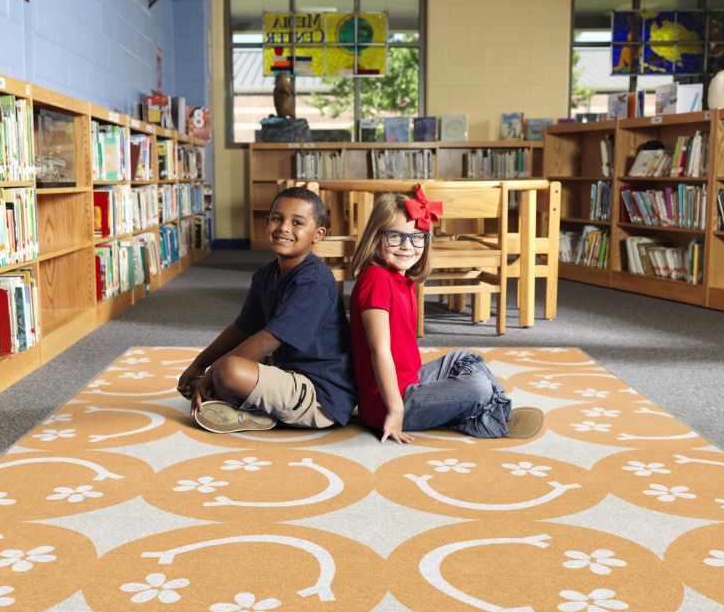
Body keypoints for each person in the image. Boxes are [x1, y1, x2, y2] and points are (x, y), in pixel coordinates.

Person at [348, 186, 542, 444]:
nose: (407, 246)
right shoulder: (376, 278)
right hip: (389, 402)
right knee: (477, 388)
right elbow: (379, 351)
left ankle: (482, 408)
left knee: (464, 358)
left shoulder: (402, 280)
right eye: (395, 237)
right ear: (376, 237)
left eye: (417, 238)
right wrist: (395, 410)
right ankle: (484, 415)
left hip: (410, 379)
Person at [177, 186, 357, 433]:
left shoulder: (314, 281)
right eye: (276, 218)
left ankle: (253, 411)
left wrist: (213, 372)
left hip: (321, 395)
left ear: (318, 234)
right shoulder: (266, 274)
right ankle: (249, 406)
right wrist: (199, 365)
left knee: (228, 370)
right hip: (286, 372)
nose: (284, 227)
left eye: (297, 222)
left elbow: (269, 339)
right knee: (221, 374)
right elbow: (241, 328)